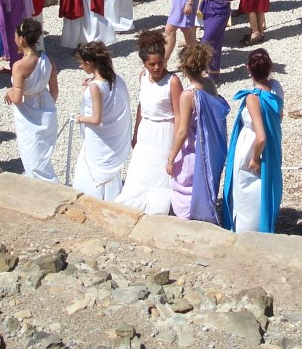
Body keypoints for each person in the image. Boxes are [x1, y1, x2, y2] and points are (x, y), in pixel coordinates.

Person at [116, 31, 181, 213]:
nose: (156, 67)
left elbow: (179, 116)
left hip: (165, 132)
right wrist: (136, 133)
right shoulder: (143, 77)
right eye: (151, 64)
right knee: (141, 170)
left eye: (160, 63)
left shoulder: (173, 82)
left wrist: (177, 146)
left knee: (160, 175)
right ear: (144, 63)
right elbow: (141, 106)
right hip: (146, 130)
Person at [222, 48, 284, 233]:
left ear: (248, 69)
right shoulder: (276, 88)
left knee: (246, 191)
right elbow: (278, 117)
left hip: (251, 146)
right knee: (265, 187)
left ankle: (246, 229)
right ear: (270, 68)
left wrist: (255, 158)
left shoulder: (252, 98)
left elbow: (261, 136)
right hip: (272, 145)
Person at [169, 42, 231, 223]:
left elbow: (182, 131)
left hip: (192, 149)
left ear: (183, 68)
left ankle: (189, 218)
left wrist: (171, 158)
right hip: (210, 147)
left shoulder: (188, 94)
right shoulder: (209, 84)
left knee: (185, 186)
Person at [73, 42, 132, 200]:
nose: (80, 67)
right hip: (111, 135)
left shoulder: (95, 87)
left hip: (98, 137)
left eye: (81, 63)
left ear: (89, 63)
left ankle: (94, 197)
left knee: (93, 169)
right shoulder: (115, 78)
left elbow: (96, 119)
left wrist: (80, 118)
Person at [6, 18, 58, 181]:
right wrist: (46, 106)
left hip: (27, 115)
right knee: (42, 157)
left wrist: (9, 92)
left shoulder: (19, 66)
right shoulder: (48, 60)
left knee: (32, 159)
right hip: (45, 109)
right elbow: (54, 90)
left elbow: (17, 98)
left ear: (21, 39)